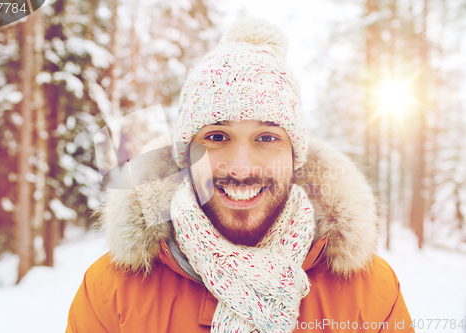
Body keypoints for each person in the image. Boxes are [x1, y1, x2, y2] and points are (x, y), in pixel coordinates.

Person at [66, 18, 414, 333]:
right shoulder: (110, 294)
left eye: (267, 138)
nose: (242, 168)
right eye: (217, 137)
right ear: (185, 155)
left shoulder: (370, 295)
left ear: (295, 156)